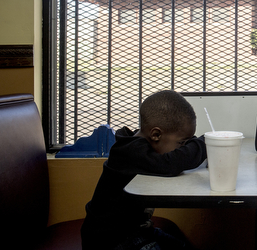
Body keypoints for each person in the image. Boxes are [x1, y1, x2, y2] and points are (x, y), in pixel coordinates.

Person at [81, 90, 207, 250]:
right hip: (110, 240)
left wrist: (194, 143)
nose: (183, 147)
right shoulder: (129, 152)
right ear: (156, 135)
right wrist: (204, 144)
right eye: (182, 143)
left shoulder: (143, 146)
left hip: (137, 229)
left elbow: (176, 154)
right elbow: (170, 164)